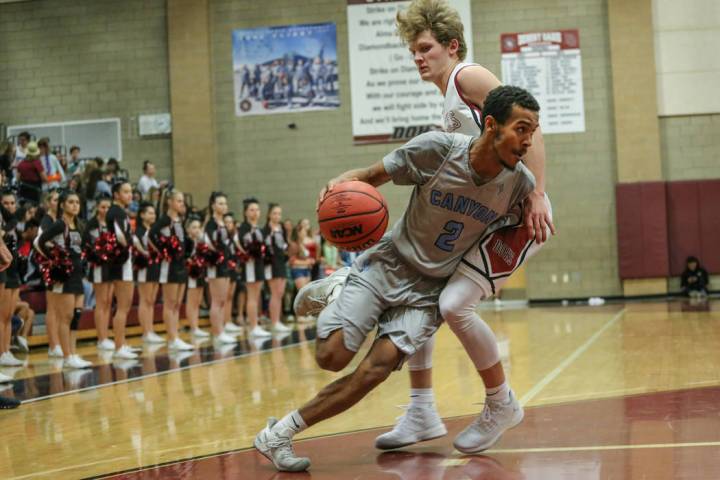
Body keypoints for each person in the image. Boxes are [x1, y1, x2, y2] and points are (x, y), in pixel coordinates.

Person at [299, 0, 556, 454]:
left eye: (425, 48)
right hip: (490, 215)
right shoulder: (448, 101)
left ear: (452, 46)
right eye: (413, 51)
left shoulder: (467, 76)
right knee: (424, 287)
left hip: (520, 218)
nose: (418, 58)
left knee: (454, 303)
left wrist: (537, 195)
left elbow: (527, 121)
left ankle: (501, 403)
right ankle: (421, 408)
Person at [255, 85, 539, 472]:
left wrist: (538, 198)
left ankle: (279, 434)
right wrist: (339, 189)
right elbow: (370, 176)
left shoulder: (520, 185)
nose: (528, 142)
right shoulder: (438, 149)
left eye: (532, 132)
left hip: (428, 292)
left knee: (374, 370)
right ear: (491, 125)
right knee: (331, 357)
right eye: (521, 129)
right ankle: (341, 284)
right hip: (388, 263)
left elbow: (530, 220)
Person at [36, 190, 92, 369]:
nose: (75, 205)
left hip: (77, 275)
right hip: (63, 276)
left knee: (76, 316)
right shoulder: (59, 224)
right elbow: (39, 242)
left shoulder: (80, 225)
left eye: (77, 202)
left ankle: (73, 353)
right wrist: (53, 259)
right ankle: (67, 356)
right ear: (62, 205)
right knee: (65, 317)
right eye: (71, 202)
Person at [150, 190, 194, 351]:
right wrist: (163, 251)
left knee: (176, 304)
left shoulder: (179, 221)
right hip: (169, 266)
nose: (182, 204)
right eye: (179, 201)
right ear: (170, 202)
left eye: (182, 201)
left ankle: (175, 337)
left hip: (181, 264)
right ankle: (172, 338)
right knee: (169, 303)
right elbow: (151, 235)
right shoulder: (164, 220)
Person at [106, 181, 140, 359]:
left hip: (123, 262)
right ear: (116, 194)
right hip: (120, 263)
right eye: (126, 192)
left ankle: (122, 343)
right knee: (122, 306)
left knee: (125, 306)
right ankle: (119, 347)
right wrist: (129, 245)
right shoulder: (116, 211)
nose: (130, 195)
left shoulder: (121, 212)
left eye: (131, 191)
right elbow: (120, 235)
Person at [203, 192, 238, 344]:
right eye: (220, 203)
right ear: (213, 205)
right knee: (217, 301)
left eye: (225, 203)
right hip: (215, 265)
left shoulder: (223, 222)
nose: (224, 206)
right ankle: (217, 334)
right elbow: (211, 245)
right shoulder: (211, 224)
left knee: (223, 300)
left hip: (224, 264)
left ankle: (221, 330)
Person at [82, 195, 116, 351]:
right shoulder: (91, 224)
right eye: (103, 207)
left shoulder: (111, 224)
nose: (106, 210)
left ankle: (106, 336)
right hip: (98, 267)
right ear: (97, 208)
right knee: (101, 303)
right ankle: (101, 338)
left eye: (108, 207)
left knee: (108, 302)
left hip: (111, 266)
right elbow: (88, 246)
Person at [133, 202, 165, 344]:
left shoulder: (154, 231)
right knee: (145, 300)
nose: (153, 215)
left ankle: (150, 330)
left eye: (154, 213)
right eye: (150, 213)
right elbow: (139, 250)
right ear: (142, 215)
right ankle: (145, 332)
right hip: (144, 267)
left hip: (156, 267)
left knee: (152, 300)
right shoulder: (139, 231)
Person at [238, 198, 271, 338]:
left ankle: (255, 324)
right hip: (249, 266)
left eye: (257, 209)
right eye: (252, 210)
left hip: (258, 265)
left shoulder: (258, 228)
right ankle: (253, 327)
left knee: (256, 296)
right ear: (245, 212)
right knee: (251, 297)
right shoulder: (244, 228)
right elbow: (244, 248)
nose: (255, 212)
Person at [37, 191, 62, 358]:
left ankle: (58, 341)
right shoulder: (46, 220)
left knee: (60, 306)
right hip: (51, 266)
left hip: (61, 266)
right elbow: (40, 241)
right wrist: (53, 256)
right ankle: (53, 345)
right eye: (54, 200)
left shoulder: (58, 220)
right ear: (48, 203)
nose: (58, 202)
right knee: (53, 307)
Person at [263, 203, 291, 333]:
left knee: (280, 293)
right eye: (274, 213)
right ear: (269, 214)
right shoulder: (266, 230)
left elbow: (285, 246)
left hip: (281, 262)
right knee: (275, 293)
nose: (277, 216)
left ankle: (278, 320)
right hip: (271, 263)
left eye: (279, 213)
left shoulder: (282, 228)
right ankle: (274, 322)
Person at [184, 216, 210, 338]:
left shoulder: (199, 241)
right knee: (192, 301)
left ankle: (196, 326)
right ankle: (193, 327)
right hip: (191, 273)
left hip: (200, 272)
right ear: (187, 229)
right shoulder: (187, 241)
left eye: (199, 227)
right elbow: (185, 257)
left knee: (198, 300)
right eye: (194, 227)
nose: (197, 230)